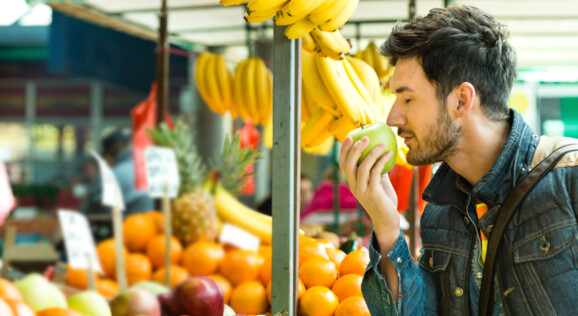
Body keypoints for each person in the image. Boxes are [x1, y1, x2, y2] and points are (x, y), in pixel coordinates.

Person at [338, 5, 578, 315]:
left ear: (462, 100)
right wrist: (386, 226)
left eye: (407, 98)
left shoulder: (568, 182)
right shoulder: (441, 211)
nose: (392, 117)